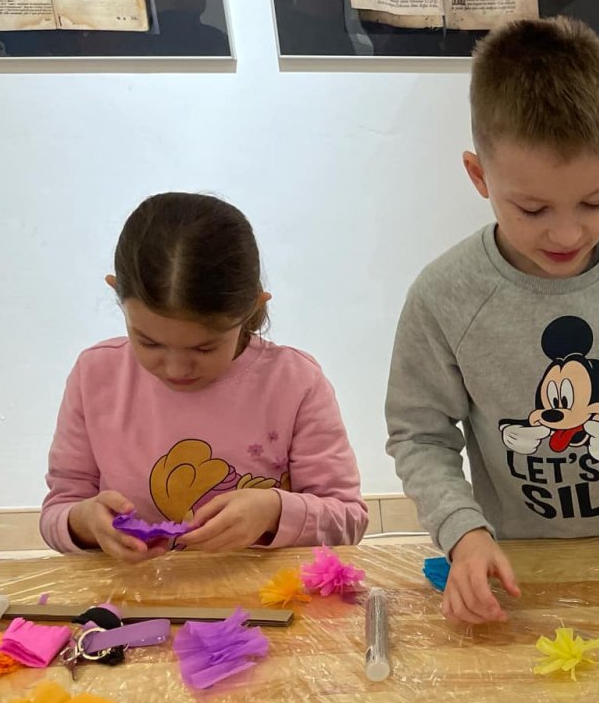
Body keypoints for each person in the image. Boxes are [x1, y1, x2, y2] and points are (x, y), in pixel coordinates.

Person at [386, 18, 599, 625]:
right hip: (518, 570)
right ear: (479, 175)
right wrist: (463, 531)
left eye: (594, 201)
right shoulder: (446, 295)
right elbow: (420, 435)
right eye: (532, 208)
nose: (568, 233)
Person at [41, 192, 368, 560]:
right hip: (134, 592)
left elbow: (349, 519)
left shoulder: (295, 382)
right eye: (149, 342)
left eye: (204, 348)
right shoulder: (95, 375)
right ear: (117, 293)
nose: (176, 369)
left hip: (263, 592)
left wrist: (274, 511)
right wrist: (85, 522)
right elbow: (59, 510)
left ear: (251, 308)